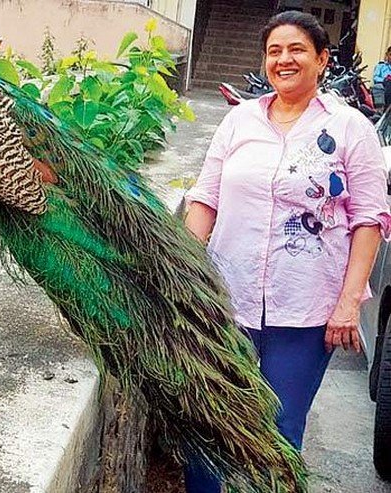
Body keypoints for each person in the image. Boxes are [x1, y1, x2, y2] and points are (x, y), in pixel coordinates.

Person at [184, 11, 391, 493]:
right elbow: (205, 199)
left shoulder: (349, 128)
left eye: (296, 49)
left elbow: (369, 219)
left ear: (321, 59)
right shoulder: (239, 120)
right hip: (225, 302)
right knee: (206, 424)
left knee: (278, 434)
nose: (284, 59)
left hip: (304, 311)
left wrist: (348, 301)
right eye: (274, 51)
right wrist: (182, 273)